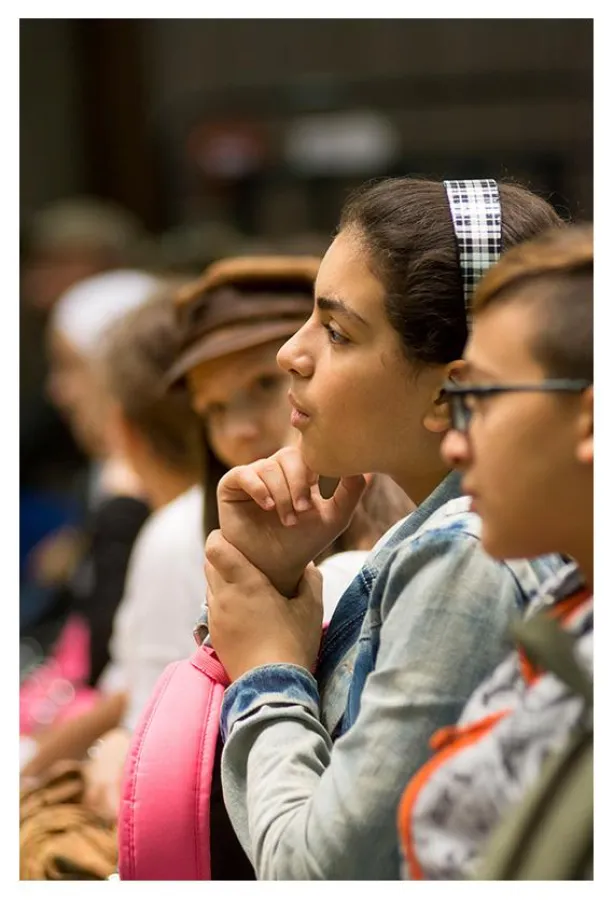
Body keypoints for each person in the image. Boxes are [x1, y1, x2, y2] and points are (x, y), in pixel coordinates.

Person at [201, 177, 568, 879]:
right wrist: (270, 580)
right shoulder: (456, 539)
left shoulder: (468, 559)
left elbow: (319, 876)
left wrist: (270, 671)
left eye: (337, 332)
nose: (290, 354)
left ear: (450, 393)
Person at [79, 255, 413, 826]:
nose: (239, 430)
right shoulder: (182, 536)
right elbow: (162, 741)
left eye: (262, 385)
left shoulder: (421, 525)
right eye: (213, 409)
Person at [396, 222, 593, 879]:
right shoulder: (568, 602)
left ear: (592, 420)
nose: (453, 441)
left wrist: (270, 678)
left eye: (477, 398)